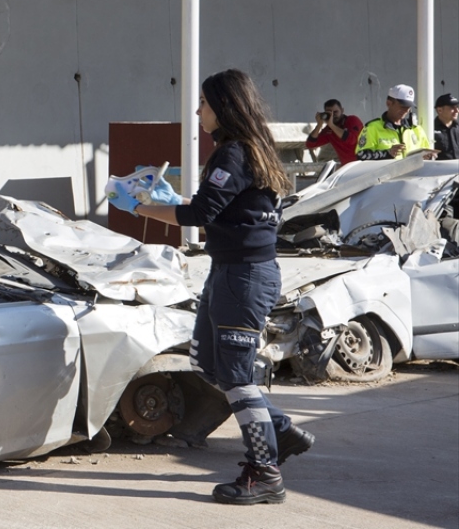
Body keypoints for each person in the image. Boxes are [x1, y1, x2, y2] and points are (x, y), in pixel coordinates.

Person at [109, 69, 313, 505]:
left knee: (236, 377)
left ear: (224, 107)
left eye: (203, 103)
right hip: (229, 271)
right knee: (207, 365)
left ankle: (265, 474)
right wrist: (166, 201)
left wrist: (143, 206)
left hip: (243, 277)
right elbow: (213, 208)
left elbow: (198, 215)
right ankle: (278, 430)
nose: (198, 111)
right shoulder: (244, 152)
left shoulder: (235, 155)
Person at [356, 84, 432, 161]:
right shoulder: (372, 128)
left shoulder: (416, 129)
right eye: (403, 106)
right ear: (389, 103)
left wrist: (430, 157)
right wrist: (387, 153)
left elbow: (429, 155)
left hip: (414, 173)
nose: (406, 110)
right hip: (385, 173)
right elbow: (361, 155)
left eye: (409, 107)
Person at [304, 98, 362, 165]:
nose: (333, 115)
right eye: (329, 113)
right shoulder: (329, 130)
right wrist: (319, 125)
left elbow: (352, 140)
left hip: (361, 162)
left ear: (342, 110)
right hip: (347, 165)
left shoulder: (352, 120)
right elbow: (310, 144)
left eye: (335, 112)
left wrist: (332, 125)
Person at [434, 93, 459, 161]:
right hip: (440, 170)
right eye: (452, 108)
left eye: (457, 107)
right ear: (440, 110)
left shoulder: (457, 128)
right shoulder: (430, 129)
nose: (457, 111)